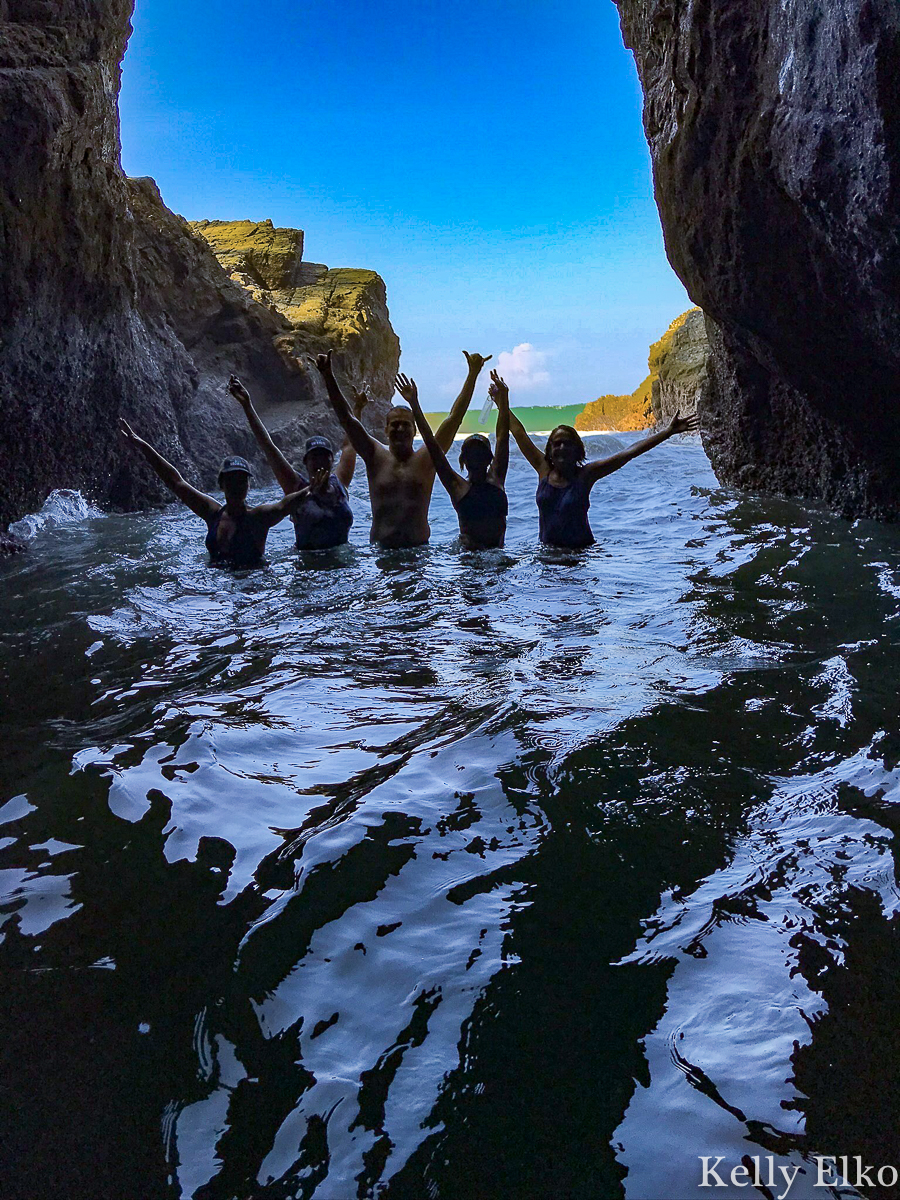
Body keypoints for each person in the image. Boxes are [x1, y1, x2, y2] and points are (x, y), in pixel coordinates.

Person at [311, 348, 492, 547]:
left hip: (419, 553)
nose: (399, 428)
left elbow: (454, 418)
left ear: (414, 430)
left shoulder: (427, 458)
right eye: (394, 424)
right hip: (382, 553)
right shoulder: (374, 455)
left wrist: (473, 374)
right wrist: (328, 376)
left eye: (405, 424)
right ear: (386, 429)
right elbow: (347, 419)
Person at [502, 370, 700, 548]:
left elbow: (628, 453)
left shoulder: (586, 475)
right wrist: (502, 400)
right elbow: (519, 433)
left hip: (579, 555)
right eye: (556, 443)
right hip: (547, 554)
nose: (561, 448)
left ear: (577, 450)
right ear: (550, 450)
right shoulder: (543, 470)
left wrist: (668, 432)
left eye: (567, 443)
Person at [119, 419, 317, 567]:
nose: (237, 486)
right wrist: (143, 446)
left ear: (249, 485)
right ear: (222, 484)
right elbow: (176, 482)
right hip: (217, 589)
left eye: (242, 481)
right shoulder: (212, 513)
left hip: (253, 589)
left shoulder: (258, 518)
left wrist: (310, 489)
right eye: (231, 480)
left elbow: (284, 506)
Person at [228, 374, 365, 551]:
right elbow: (268, 446)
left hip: (341, 568)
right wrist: (247, 405)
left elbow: (349, 444)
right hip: (308, 569)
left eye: (324, 456)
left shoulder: (340, 483)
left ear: (332, 460)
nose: (320, 461)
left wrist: (358, 409)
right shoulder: (295, 486)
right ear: (305, 462)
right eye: (314, 457)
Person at [393, 371, 509, 549]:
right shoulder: (458, 487)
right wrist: (414, 404)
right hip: (471, 559)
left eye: (480, 453)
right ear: (463, 460)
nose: (476, 457)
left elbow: (502, 437)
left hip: (495, 558)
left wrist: (503, 400)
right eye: (472, 453)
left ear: (489, 459)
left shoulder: (497, 478)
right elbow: (432, 446)